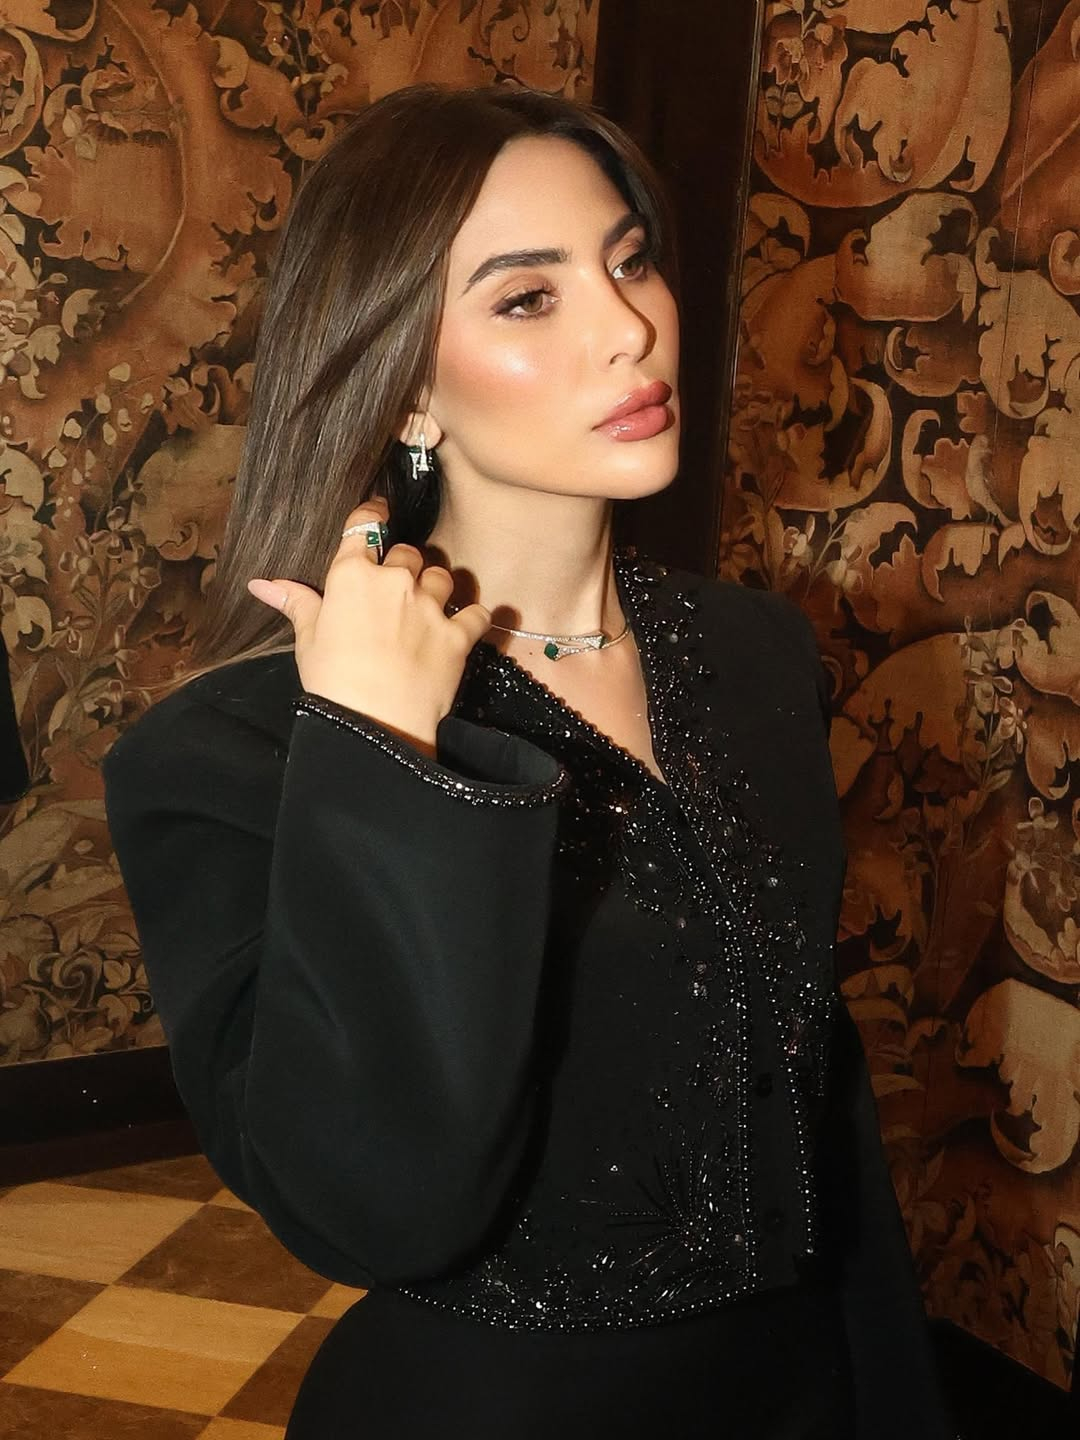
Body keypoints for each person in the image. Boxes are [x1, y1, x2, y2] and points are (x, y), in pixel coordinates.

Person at [102, 83, 952, 1439]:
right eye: (527, 297)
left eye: (630, 261)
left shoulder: (755, 654)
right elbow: (367, 1204)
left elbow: (816, 1097)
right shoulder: (234, 749)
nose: (630, 326)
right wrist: (380, 754)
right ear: (405, 383)